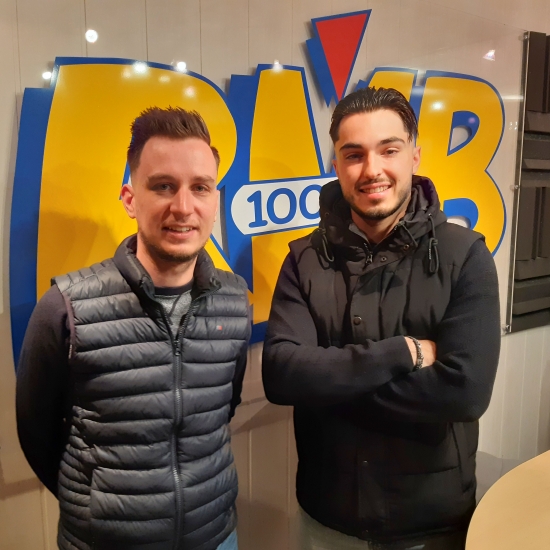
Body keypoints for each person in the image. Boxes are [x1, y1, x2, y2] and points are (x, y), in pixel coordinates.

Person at [262, 87, 500, 550]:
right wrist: (402, 353)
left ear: (414, 156)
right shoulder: (304, 261)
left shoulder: (465, 256)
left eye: (389, 150)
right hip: (327, 521)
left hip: (430, 526)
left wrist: (329, 383)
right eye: (354, 155)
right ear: (336, 165)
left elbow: (465, 392)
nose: (372, 170)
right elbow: (282, 375)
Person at [16, 107, 250, 550]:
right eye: (163, 186)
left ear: (215, 200)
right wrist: (98, 505)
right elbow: (36, 433)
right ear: (129, 198)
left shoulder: (235, 300)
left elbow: (223, 410)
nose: (183, 207)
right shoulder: (66, 308)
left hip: (215, 536)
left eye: (200, 187)